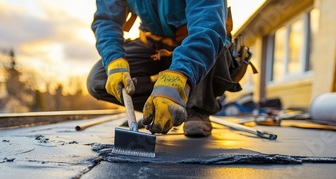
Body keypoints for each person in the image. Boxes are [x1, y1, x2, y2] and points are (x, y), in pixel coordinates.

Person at [87, 0, 240, 137]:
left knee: (213, 46)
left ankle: (197, 108)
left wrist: (179, 76)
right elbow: (107, 20)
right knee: (100, 79)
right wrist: (114, 60)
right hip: (154, 47)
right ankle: (156, 108)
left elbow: (207, 26)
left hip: (197, 43)